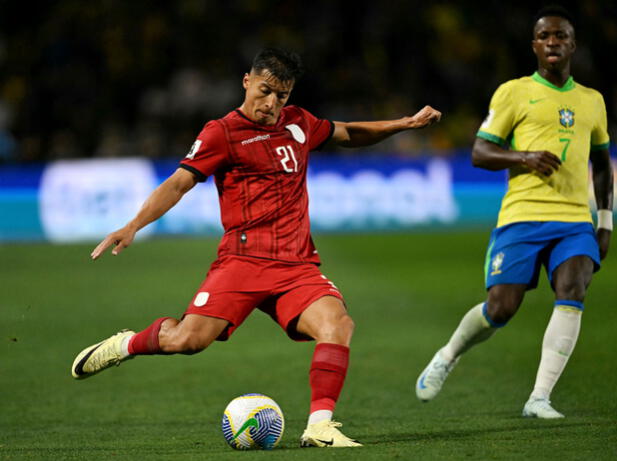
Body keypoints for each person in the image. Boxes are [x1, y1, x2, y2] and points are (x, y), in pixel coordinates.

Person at [72, 47, 442, 448]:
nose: (271, 104)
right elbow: (179, 182)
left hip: (297, 266)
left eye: (281, 96)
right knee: (187, 341)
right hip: (242, 262)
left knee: (338, 325)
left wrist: (404, 124)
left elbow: (348, 132)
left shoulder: (298, 122)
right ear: (247, 82)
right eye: (265, 91)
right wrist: (133, 226)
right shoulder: (221, 132)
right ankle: (126, 343)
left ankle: (320, 426)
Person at [415, 5, 613, 419]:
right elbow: (479, 151)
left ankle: (539, 397)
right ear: (535, 46)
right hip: (521, 216)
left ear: (573, 45)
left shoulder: (592, 101)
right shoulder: (513, 92)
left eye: (560, 36)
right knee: (501, 308)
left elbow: (602, 164)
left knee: (574, 289)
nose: (553, 42)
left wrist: (605, 221)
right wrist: (524, 157)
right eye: (545, 36)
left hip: (575, 219)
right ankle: (448, 355)